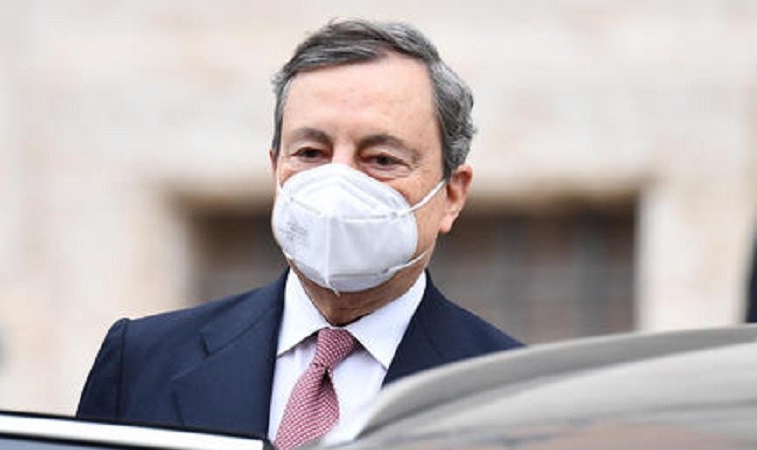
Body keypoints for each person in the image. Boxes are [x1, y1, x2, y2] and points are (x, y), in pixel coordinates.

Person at [76, 18, 522, 448]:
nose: (338, 183)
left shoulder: (515, 397)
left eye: (382, 159)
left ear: (452, 194)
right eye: (310, 153)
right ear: (276, 170)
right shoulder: (142, 362)